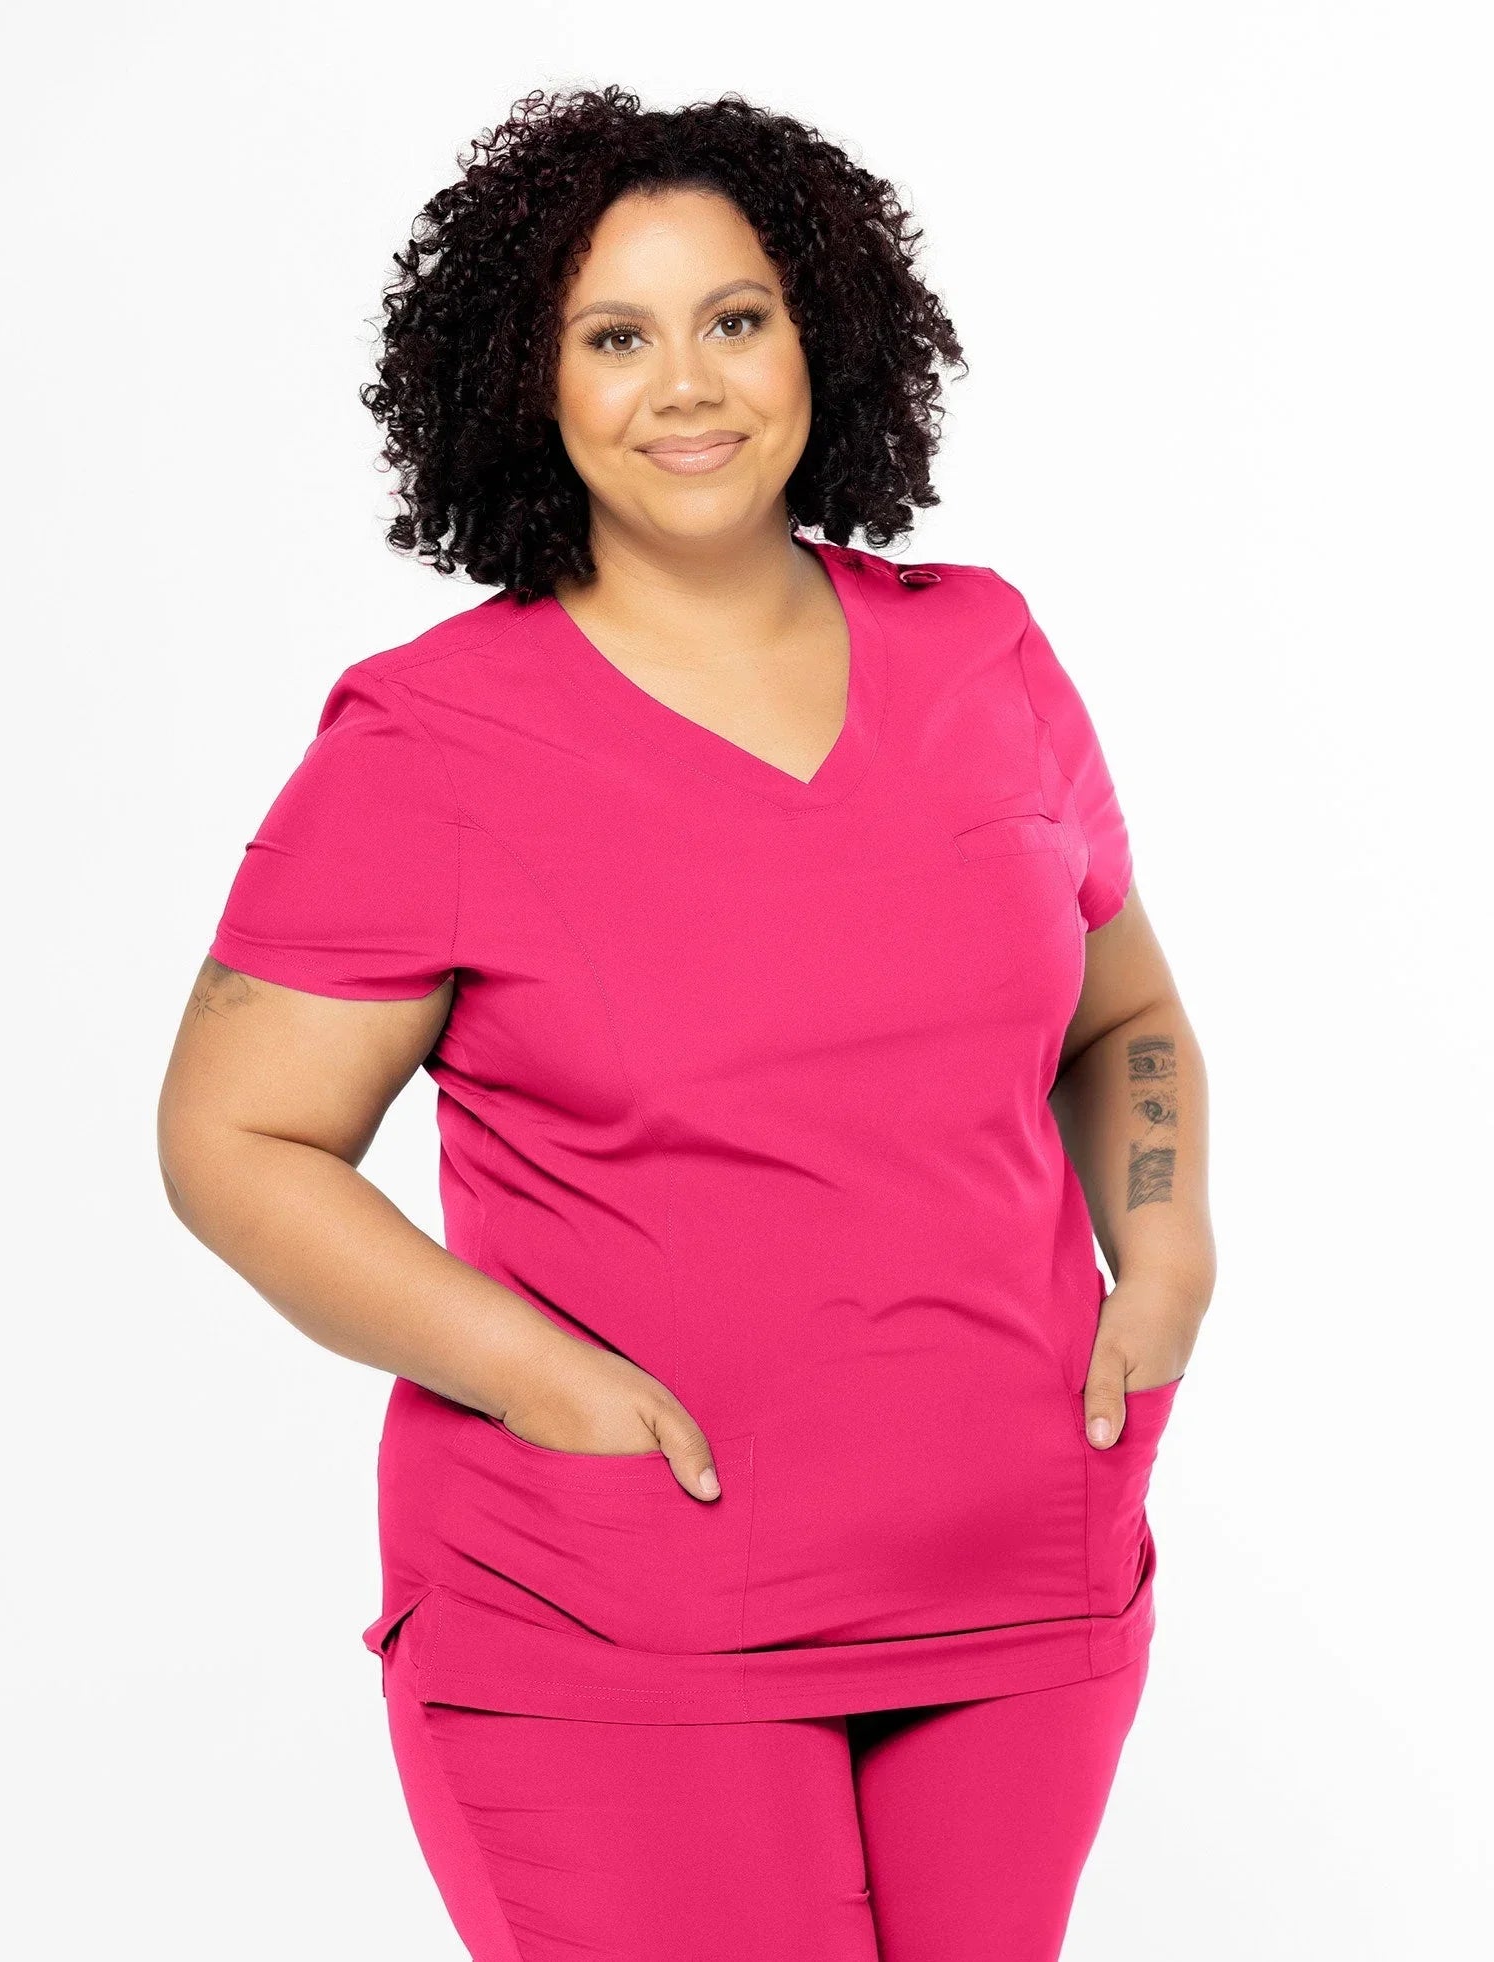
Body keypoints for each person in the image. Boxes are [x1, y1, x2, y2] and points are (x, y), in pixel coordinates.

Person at [159, 84, 1215, 1962]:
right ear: (531, 382)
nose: (689, 385)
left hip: (1014, 1587)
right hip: (615, 1609)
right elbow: (235, 1138)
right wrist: (546, 1383)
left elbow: (1119, 1009)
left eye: (735, 317)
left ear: (821, 333)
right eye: (615, 337)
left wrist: (1169, 1258)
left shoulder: (982, 651)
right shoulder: (429, 742)